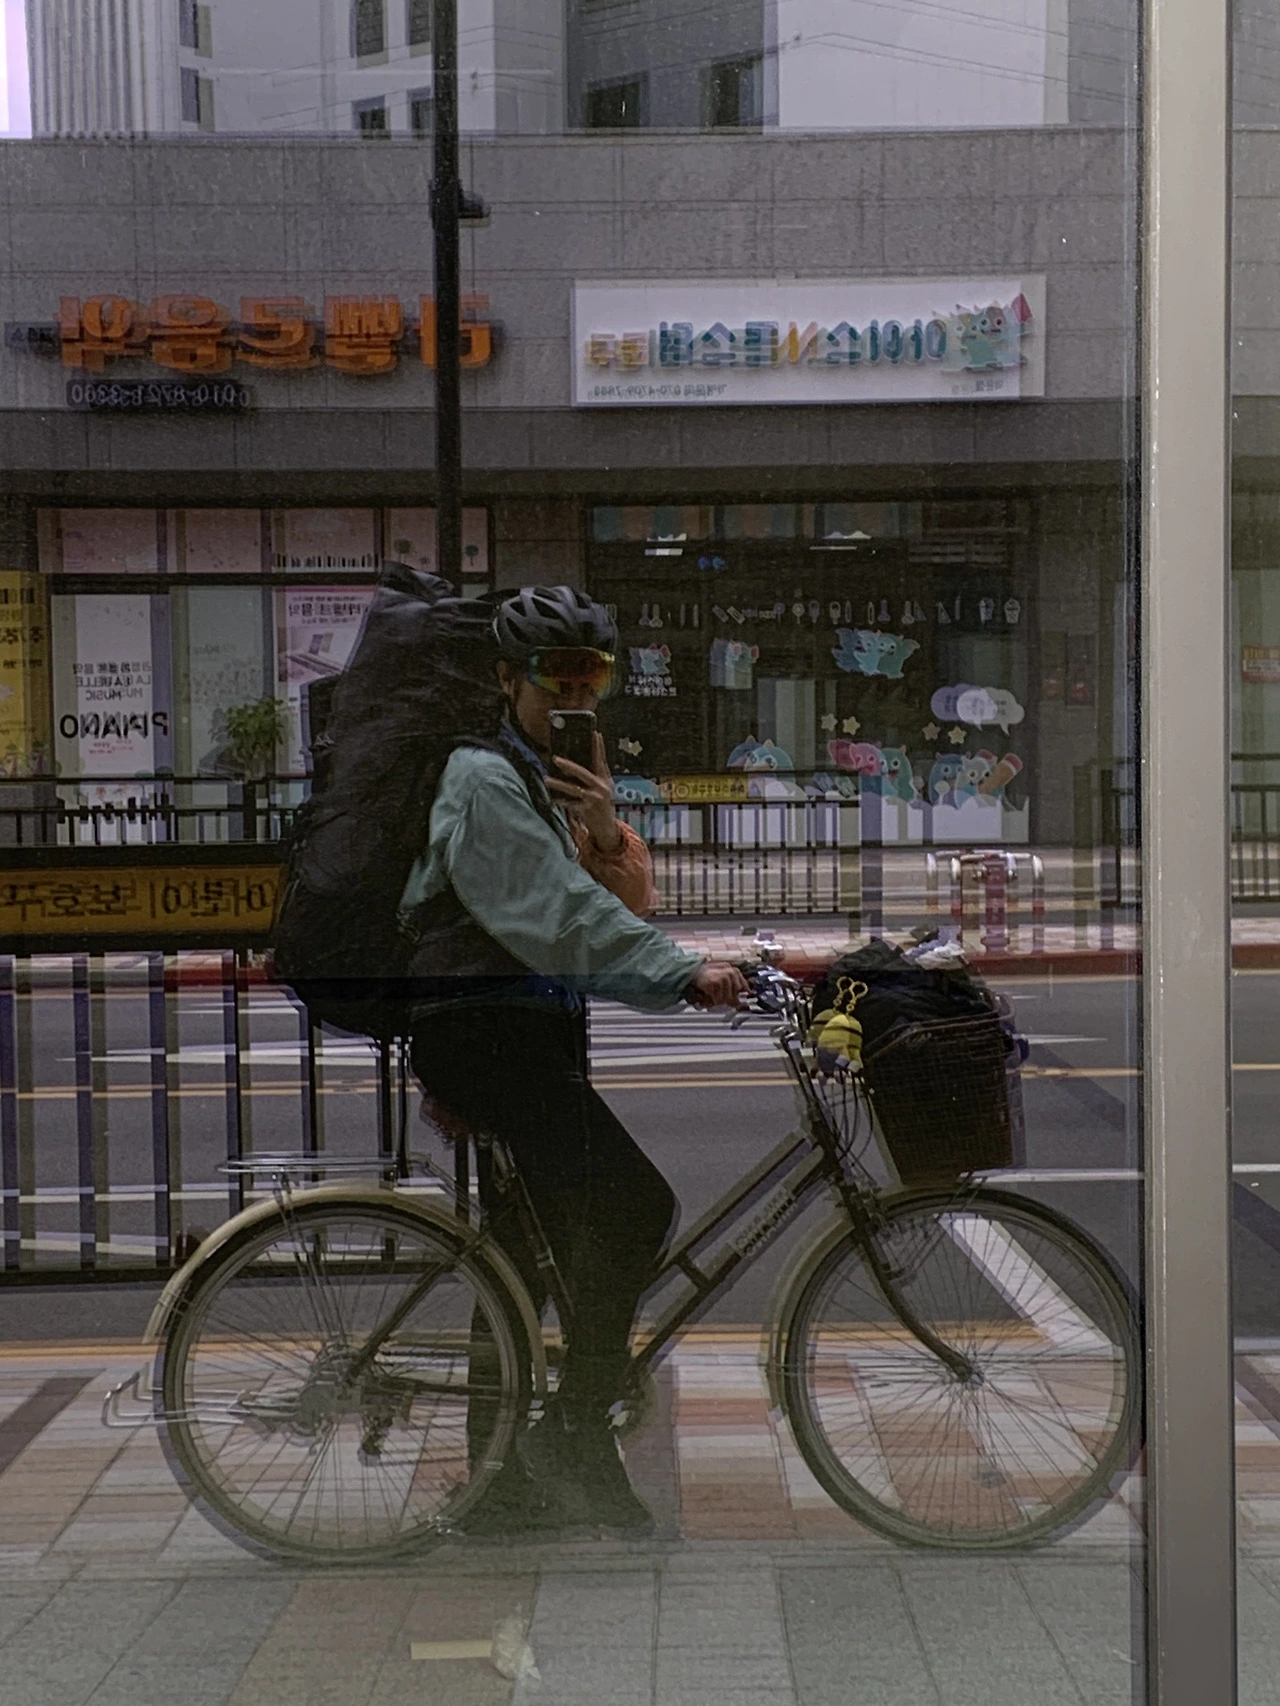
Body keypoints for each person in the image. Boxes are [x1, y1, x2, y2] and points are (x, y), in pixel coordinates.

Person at [400, 584, 746, 1534]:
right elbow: (558, 918)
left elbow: (607, 903)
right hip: (490, 1035)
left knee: (518, 1258)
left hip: (519, 1031)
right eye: (555, 673)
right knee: (636, 1211)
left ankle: (500, 1489)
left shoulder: (535, 777)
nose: (574, 692)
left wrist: (602, 828)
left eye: (590, 673)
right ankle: (574, 1432)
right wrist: (682, 972)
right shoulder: (484, 779)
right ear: (507, 678)